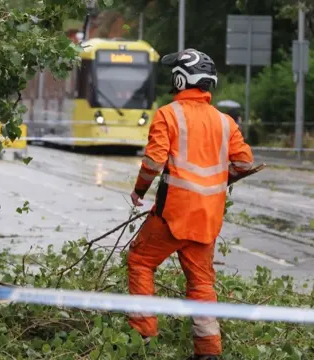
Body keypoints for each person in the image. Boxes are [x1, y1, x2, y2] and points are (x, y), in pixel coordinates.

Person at [127, 49, 255, 360]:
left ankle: (143, 338)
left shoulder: (168, 114)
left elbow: (154, 161)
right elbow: (244, 163)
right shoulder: (225, 122)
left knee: (140, 262)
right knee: (201, 282)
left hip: (172, 216)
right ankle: (208, 352)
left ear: (181, 79)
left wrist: (139, 190)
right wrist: (216, 181)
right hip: (206, 220)